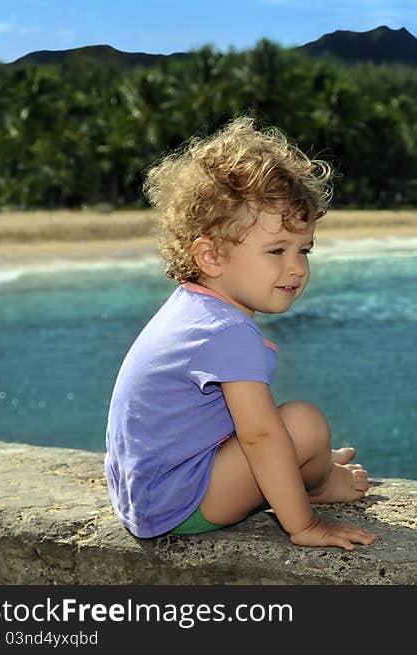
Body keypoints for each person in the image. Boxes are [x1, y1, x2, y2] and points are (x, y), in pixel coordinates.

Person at [104, 116, 376, 551]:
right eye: (276, 251)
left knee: (295, 434)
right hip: (178, 506)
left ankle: (317, 471)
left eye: (303, 249)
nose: (297, 267)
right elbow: (261, 437)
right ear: (211, 255)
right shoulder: (227, 332)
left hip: (143, 494)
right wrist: (305, 526)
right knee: (302, 426)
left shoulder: (192, 307)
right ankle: (317, 486)